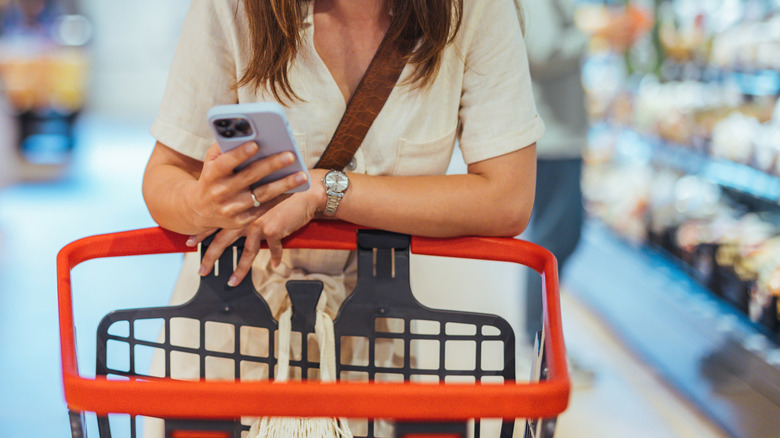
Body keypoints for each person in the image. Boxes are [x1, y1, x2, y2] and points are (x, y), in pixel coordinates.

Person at [142, 0, 543, 434]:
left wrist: (326, 190)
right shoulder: (235, 8)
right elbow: (165, 174)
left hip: (386, 335)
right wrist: (202, 204)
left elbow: (507, 197)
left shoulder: (474, 10)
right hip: (231, 332)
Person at [519, 0, 589, 350]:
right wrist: (592, 36)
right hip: (552, 139)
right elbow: (542, 52)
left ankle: (539, 336)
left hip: (558, 137)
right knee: (554, 241)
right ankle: (538, 338)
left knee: (558, 237)